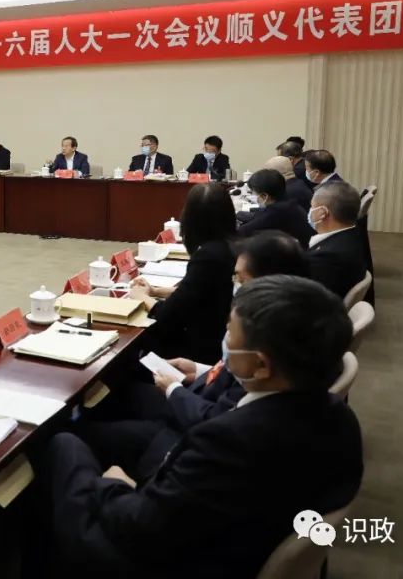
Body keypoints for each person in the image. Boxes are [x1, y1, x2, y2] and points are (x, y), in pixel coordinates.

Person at [37, 276, 362, 579]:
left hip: (164, 560)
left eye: (231, 331)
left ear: (261, 364)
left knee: (63, 445)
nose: (226, 337)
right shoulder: (339, 417)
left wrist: (116, 486)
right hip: (235, 535)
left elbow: (140, 528)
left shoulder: (230, 440)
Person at [75, 231, 308, 484]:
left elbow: (214, 419)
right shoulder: (281, 323)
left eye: (240, 278)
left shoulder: (269, 342)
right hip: (196, 398)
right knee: (118, 392)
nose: (235, 284)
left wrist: (173, 389)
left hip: (180, 433)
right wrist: (198, 370)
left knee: (73, 438)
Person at [129, 183, 235, 363]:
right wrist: (155, 291)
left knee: (134, 349)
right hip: (217, 336)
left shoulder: (208, 257)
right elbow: (197, 292)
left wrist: (142, 297)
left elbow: (168, 315)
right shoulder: (231, 245)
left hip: (200, 349)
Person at [305, 182, 367, 299]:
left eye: (312, 207)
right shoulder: (353, 236)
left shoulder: (326, 258)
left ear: (322, 213)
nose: (310, 211)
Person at [236, 169, 314, 247]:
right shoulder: (288, 203)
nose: (252, 195)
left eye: (253, 192)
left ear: (264, 196)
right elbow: (260, 216)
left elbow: (242, 232)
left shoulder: (277, 212)